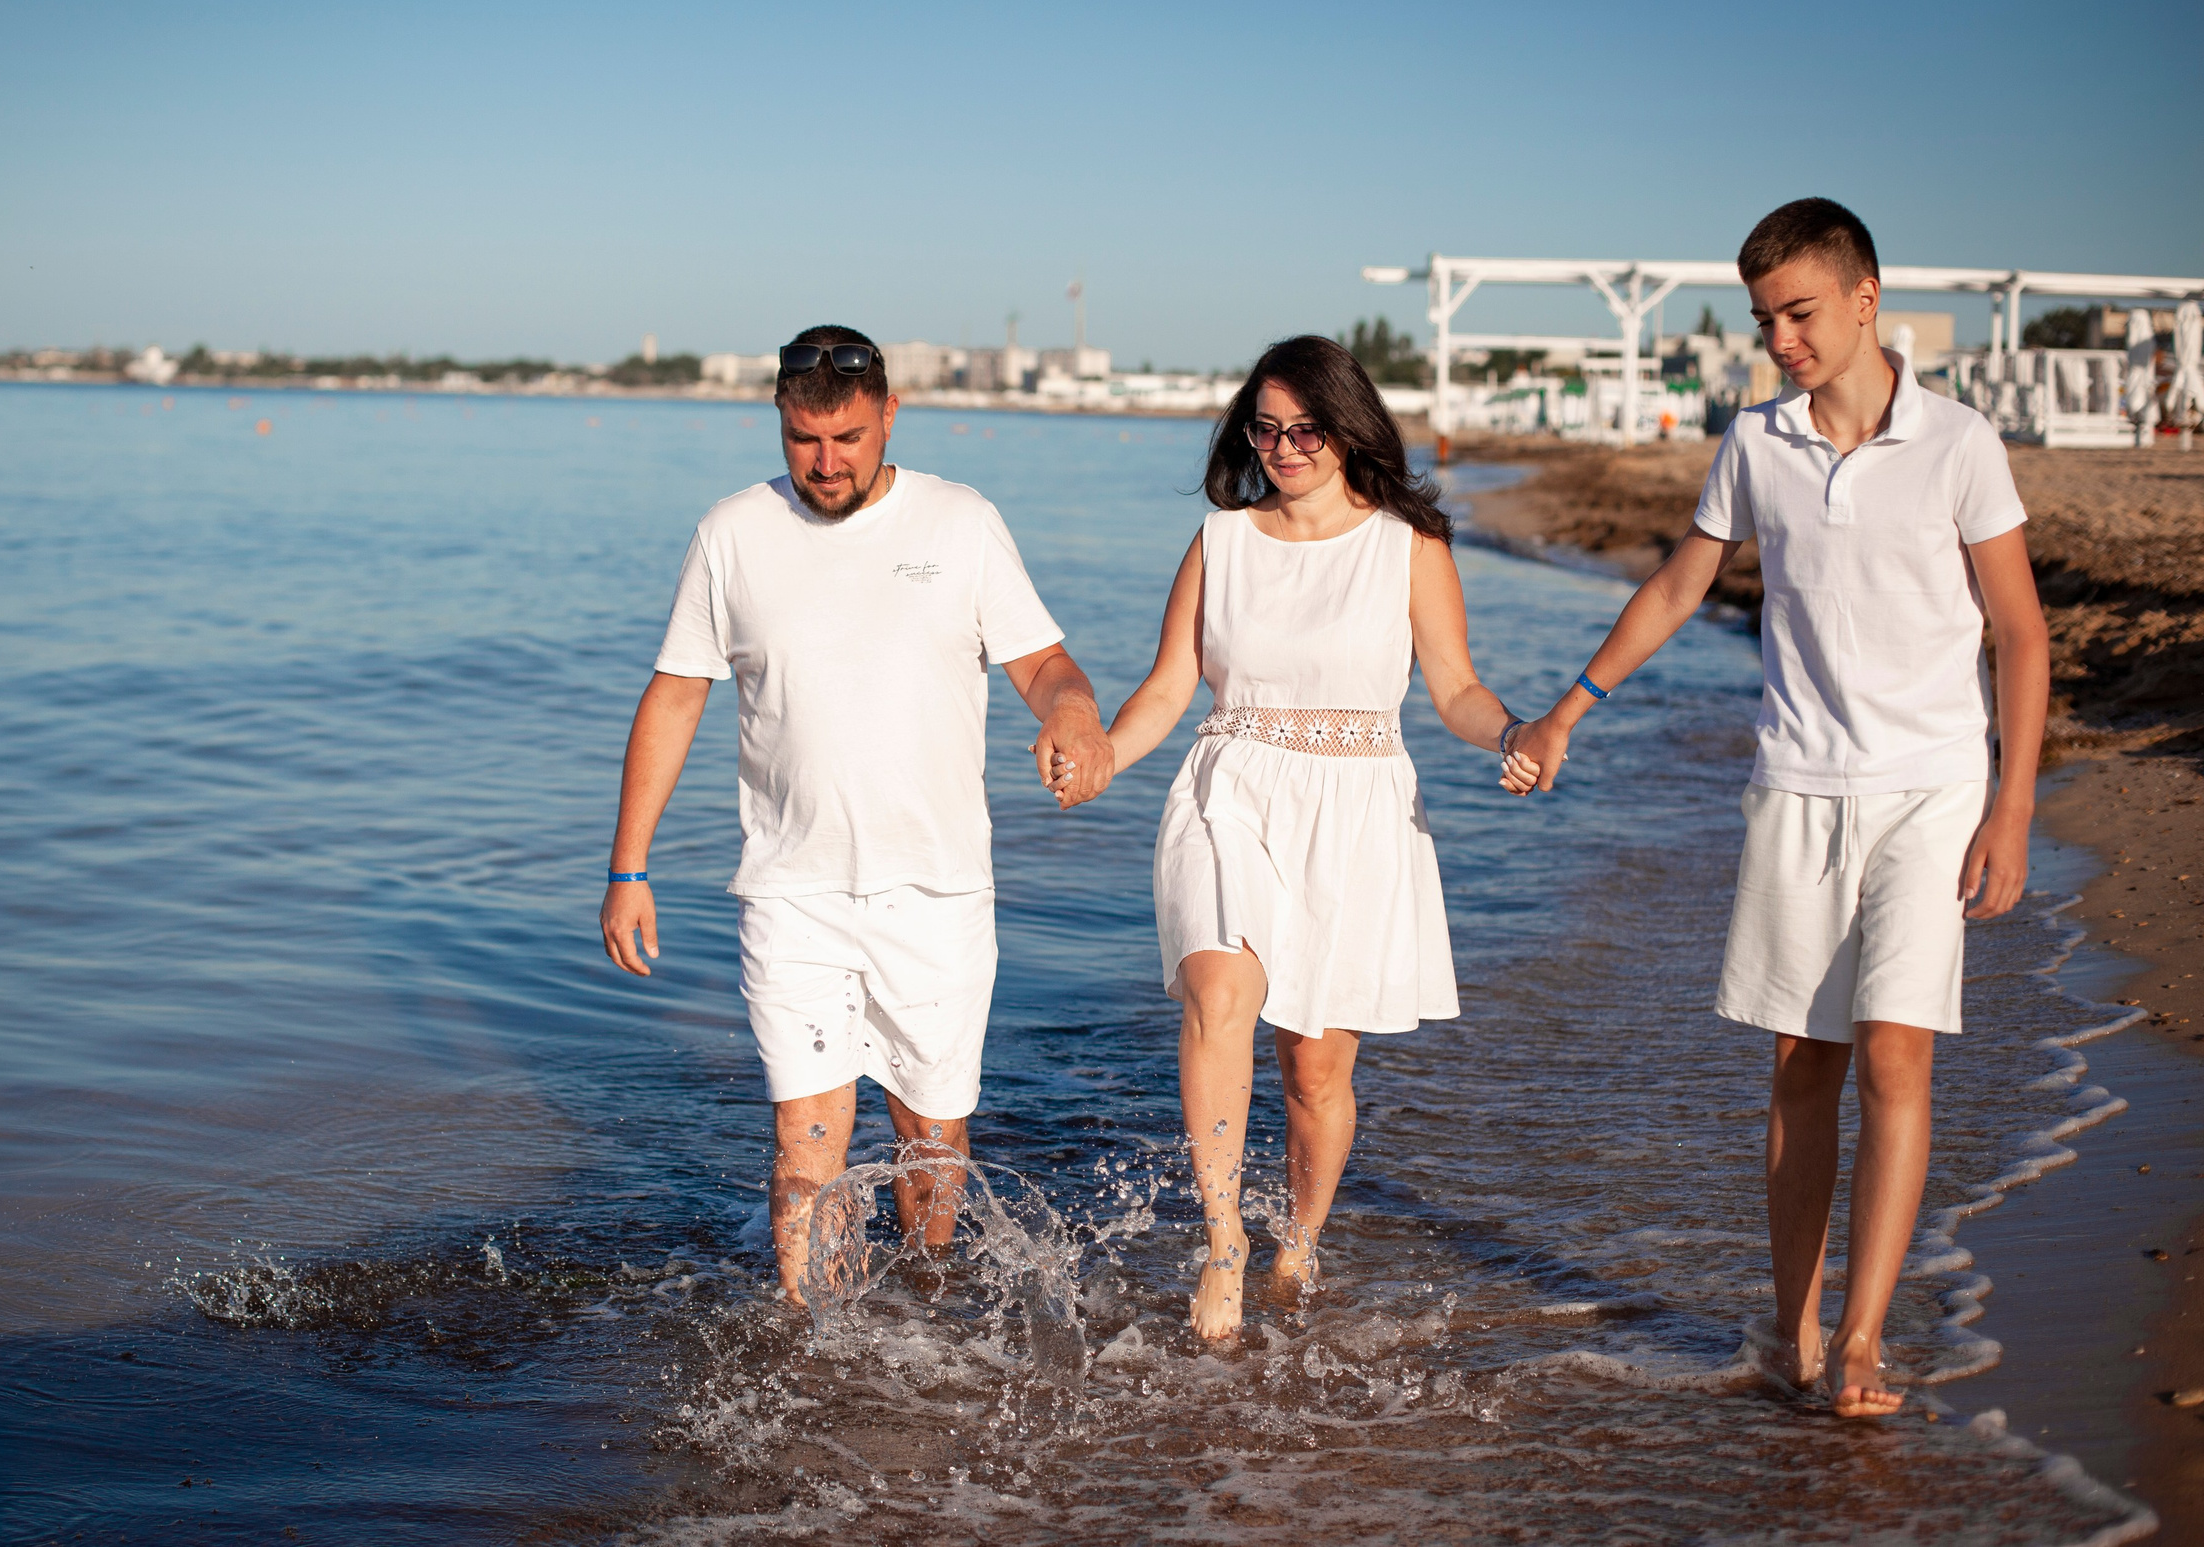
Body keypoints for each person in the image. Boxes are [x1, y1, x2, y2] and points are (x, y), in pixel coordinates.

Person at [1508, 198, 2050, 1418]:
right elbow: (1676, 582)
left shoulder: (1960, 444)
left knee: (1895, 1053)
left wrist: (2009, 809)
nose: (1781, 339)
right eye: (1764, 320)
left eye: (1799, 312)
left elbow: (2019, 631)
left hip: (1930, 786)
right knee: (1804, 1063)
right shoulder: (1755, 443)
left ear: (1867, 298)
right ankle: (1794, 1330)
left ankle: (1862, 1338)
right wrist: (1565, 712)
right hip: (1798, 783)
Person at [598, 324, 1117, 1306]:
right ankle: (811, 1338)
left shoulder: (959, 524)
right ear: (780, 423)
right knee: (805, 1135)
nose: (826, 463)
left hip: (936, 890)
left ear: (888, 416)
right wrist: (629, 869)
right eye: (803, 440)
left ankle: (926, 1304)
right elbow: (674, 695)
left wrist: (1075, 715)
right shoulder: (731, 534)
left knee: (930, 1138)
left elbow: (1044, 664)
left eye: (847, 438)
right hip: (792, 890)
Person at [1105, 335, 1539, 1341]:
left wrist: (1512, 733)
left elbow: (1456, 688)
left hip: (1355, 809)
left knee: (1313, 1068)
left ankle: (1300, 1239)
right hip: (1232, 787)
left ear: (1348, 430)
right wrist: (1098, 759)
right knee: (1221, 994)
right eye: (1265, 428)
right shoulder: (1222, 542)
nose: (1283, 447)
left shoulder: (1406, 543)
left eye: (1304, 429)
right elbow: (1170, 687)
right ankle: (1222, 1242)